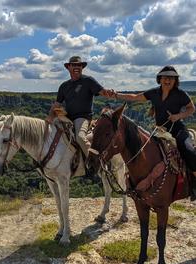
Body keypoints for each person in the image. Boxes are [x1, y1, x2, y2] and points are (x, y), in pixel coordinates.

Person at [112, 65, 196, 200]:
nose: (167, 80)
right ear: (160, 79)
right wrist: (116, 95)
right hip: (159, 131)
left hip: (177, 129)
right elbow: (134, 97)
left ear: (175, 80)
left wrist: (178, 116)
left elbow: (191, 108)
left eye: (171, 78)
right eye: (165, 78)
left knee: (189, 150)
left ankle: (193, 183)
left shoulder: (180, 94)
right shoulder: (154, 93)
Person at [49, 55, 113, 157]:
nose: (77, 67)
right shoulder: (64, 86)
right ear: (68, 67)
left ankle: (93, 162)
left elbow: (103, 92)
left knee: (79, 137)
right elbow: (57, 104)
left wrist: (110, 92)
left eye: (79, 65)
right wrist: (48, 120)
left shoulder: (88, 81)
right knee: (52, 132)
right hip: (67, 117)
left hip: (83, 117)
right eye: (74, 65)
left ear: (82, 68)